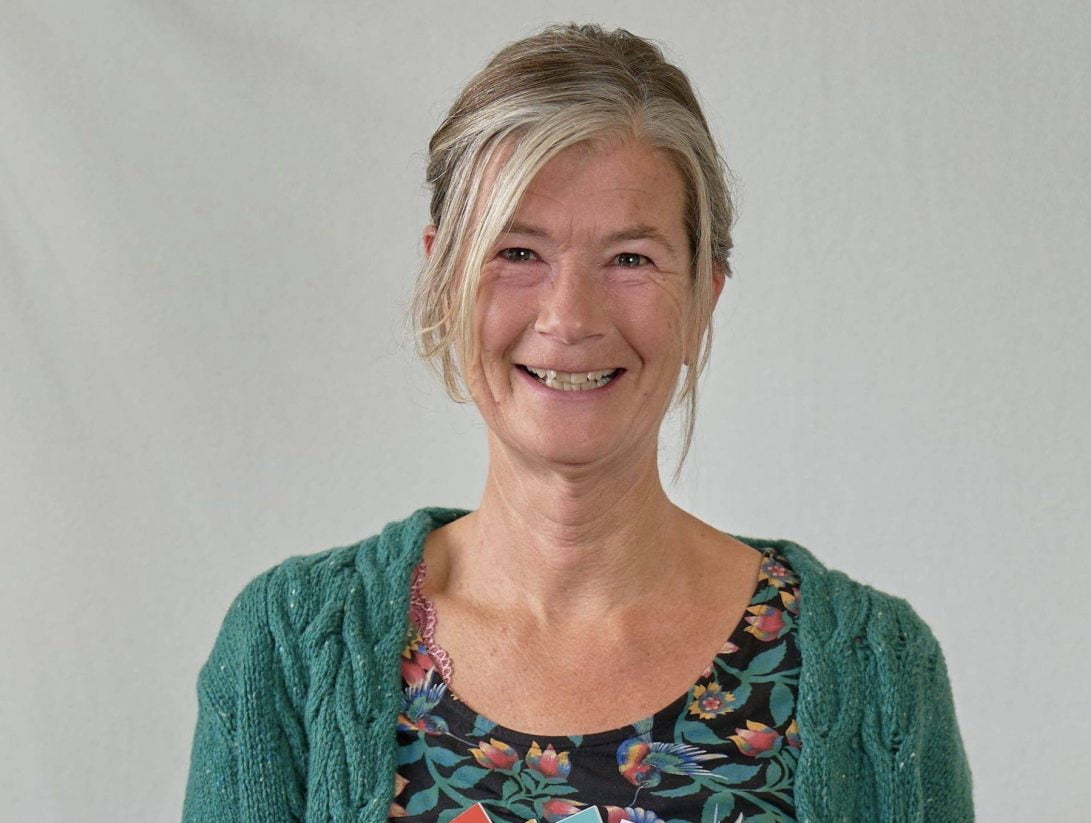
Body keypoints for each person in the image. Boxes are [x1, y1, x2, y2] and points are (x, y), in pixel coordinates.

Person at [182, 24, 973, 823]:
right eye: (518, 252)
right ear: (445, 280)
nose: (569, 317)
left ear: (704, 297)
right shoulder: (286, 650)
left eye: (631, 259)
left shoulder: (878, 672)